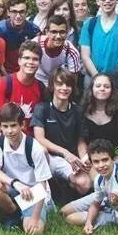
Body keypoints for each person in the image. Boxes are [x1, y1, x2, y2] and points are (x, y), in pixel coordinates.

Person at [60, 139, 118, 235]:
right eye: (96, 162)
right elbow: (95, 203)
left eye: (105, 160)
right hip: (107, 200)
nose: (101, 165)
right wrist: (89, 222)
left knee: (72, 218)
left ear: (113, 159)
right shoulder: (99, 179)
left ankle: (108, 216)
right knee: (64, 212)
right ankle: (100, 212)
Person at [0, 102, 54, 235]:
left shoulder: (35, 148)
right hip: (14, 188)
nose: (9, 131)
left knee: (34, 232)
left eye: (13, 125)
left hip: (33, 193)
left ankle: (38, 211)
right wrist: (16, 183)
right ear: (0, 126)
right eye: (5, 126)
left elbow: (42, 186)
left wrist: (34, 218)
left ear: (22, 125)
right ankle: (14, 213)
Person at [31, 68, 91, 196]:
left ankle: (65, 186)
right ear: (52, 86)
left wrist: (84, 158)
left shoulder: (77, 110)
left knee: (85, 184)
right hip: (49, 157)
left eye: (68, 85)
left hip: (70, 158)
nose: (64, 88)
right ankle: (52, 187)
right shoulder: (42, 108)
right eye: (59, 84)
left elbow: (81, 140)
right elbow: (39, 138)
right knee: (41, 150)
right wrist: (65, 153)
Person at [0, 41, 45, 137]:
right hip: (6, 138)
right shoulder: (3, 83)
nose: (31, 62)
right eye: (26, 58)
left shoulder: (41, 88)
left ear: (40, 63)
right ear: (19, 61)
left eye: (35, 59)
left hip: (30, 141)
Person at [81, 73, 118, 148]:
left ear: (112, 90)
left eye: (106, 87)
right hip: (87, 154)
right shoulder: (82, 111)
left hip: (115, 154)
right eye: (98, 86)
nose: (102, 89)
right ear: (91, 89)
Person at [33, 14, 82, 87]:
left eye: (62, 32)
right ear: (47, 32)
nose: (58, 36)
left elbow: (72, 82)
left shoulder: (71, 51)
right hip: (36, 80)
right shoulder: (36, 44)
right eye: (54, 32)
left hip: (58, 84)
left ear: (67, 32)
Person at [0, 0, 40, 74]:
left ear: (27, 13)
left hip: (28, 71)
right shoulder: (0, 29)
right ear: (8, 13)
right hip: (5, 72)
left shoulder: (34, 30)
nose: (18, 16)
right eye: (14, 12)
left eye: (22, 12)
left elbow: (37, 58)